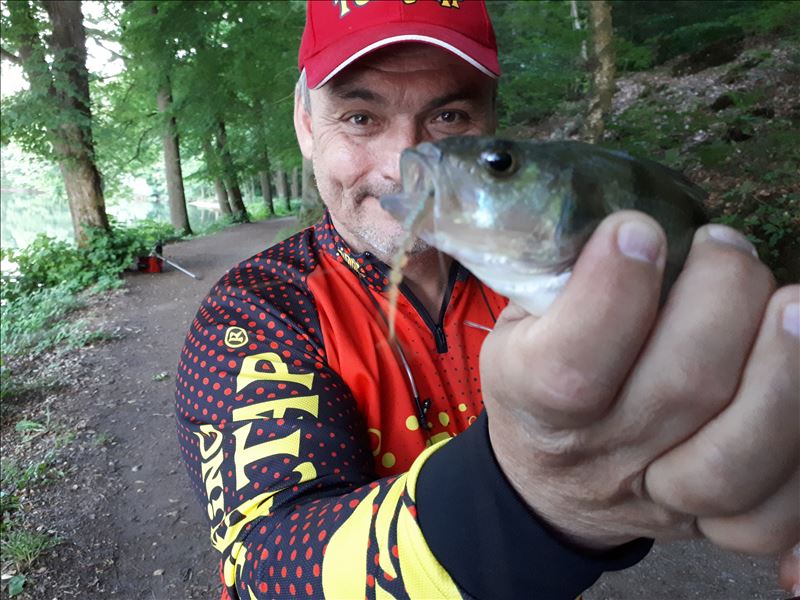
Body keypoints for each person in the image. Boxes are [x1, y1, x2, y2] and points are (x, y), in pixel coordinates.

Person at [175, 1, 800, 598]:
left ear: (491, 121)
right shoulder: (256, 312)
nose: (403, 163)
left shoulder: (562, 270)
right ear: (307, 125)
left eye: (449, 117)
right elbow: (264, 565)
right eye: (361, 118)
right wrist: (531, 495)